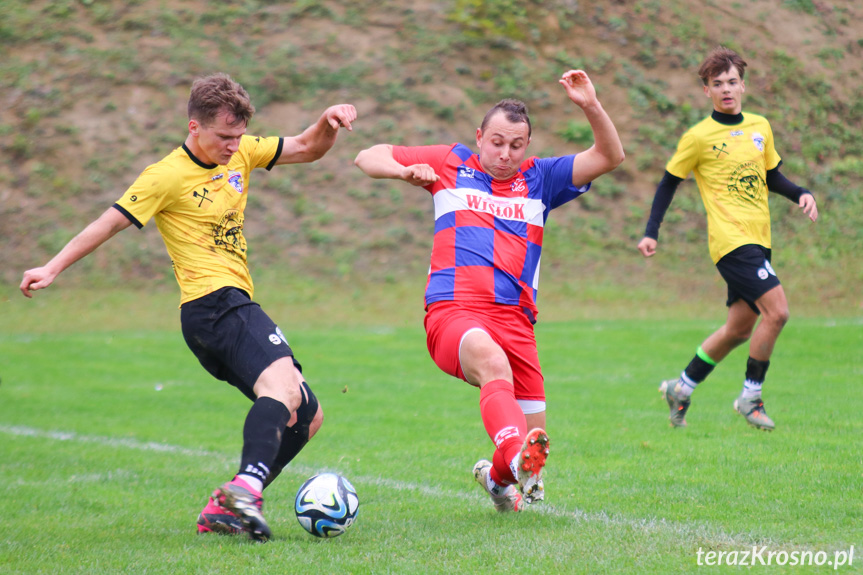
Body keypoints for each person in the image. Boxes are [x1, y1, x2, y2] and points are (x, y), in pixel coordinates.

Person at [20, 73, 357, 541]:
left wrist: (327, 121)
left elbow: (307, 147)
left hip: (226, 307)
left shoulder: (242, 151)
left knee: (307, 415)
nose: (232, 145)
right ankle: (247, 488)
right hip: (213, 304)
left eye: (238, 136)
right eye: (223, 136)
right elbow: (109, 222)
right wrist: (52, 268)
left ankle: (228, 507)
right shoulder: (165, 176)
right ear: (194, 126)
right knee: (283, 387)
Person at [354, 70, 624, 512]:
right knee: (492, 365)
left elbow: (611, 156)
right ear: (480, 137)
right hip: (453, 311)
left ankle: (498, 479)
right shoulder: (450, 163)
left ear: (528, 146)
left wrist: (590, 105)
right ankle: (515, 460)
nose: (505, 153)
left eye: (516, 145)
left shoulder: (543, 179)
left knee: (530, 458)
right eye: (496, 142)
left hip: (516, 320)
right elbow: (367, 156)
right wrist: (403, 171)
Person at [637, 47, 818, 431]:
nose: (726, 90)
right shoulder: (699, 137)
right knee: (779, 311)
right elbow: (668, 183)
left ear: (743, 85)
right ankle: (750, 398)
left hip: (759, 239)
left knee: (738, 328)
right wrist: (652, 231)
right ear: (706, 91)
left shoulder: (760, 127)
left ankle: (681, 388)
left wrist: (801, 191)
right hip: (730, 243)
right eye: (717, 84)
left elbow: (772, 177)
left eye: (732, 82)